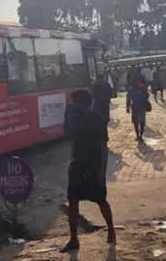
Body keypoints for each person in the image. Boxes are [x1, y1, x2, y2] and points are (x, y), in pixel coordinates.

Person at [61, 90, 114, 252]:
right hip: (77, 164)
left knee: (100, 200)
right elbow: (67, 134)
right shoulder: (75, 120)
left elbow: (103, 149)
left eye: (75, 103)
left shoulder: (97, 120)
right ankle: (74, 238)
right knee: (73, 201)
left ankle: (111, 230)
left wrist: (101, 173)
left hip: (92, 165)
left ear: (82, 103)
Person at [126, 75, 150, 142]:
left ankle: (137, 135)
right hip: (142, 106)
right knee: (142, 121)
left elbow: (128, 98)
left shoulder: (131, 88)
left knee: (136, 122)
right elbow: (147, 96)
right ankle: (141, 136)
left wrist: (127, 107)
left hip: (135, 107)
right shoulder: (143, 87)